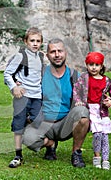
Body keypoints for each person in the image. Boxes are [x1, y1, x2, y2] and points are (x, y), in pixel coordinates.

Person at [22, 38, 90, 168]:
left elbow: (89, 96)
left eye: (60, 51)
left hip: (65, 123)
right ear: (47, 55)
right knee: (25, 137)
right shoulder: (39, 74)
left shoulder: (75, 76)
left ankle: (76, 153)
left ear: (65, 53)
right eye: (53, 52)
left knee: (83, 113)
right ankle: (50, 143)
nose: (57, 55)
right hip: (42, 123)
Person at [4, 27, 44, 168]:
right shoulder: (20, 56)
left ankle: (47, 143)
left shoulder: (41, 57)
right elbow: (7, 74)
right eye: (32, 40)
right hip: (23, 96)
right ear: (25, 41)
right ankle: (18, 155)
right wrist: (14, 87)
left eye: (38, 41)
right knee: (18, 126)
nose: (35, 44)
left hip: (37, 96)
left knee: (38, 121)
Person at [73, 52, 111, 170]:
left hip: (102, 112)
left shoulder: (107, 80)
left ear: (101, 66)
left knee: (105, 136)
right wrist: (78, 100)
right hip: (90, 110)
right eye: (91, 64)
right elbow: (76, 90)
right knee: (97, 135)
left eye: (97, 65)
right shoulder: (84, 78)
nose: (94, 67)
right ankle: (96, 158)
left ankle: (105, 160)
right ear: (87, 65)